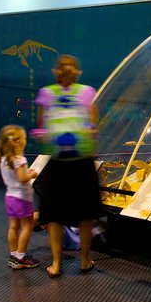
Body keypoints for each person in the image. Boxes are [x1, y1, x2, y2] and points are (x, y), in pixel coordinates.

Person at [33, 54, 103, 277]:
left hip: (69, 163)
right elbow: (94, 125)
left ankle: (60, 263)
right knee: (74, 214)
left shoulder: (50, 93)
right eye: (65, 67)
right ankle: (82, 260)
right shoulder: (85, 92)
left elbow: (41, 126)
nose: (67, 71)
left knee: (60, 214)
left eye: (70, 67)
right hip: (74, 163)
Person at [0, 124, 41, 269]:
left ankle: (13, 255)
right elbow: (23, 178)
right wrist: (32, 174)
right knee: (27, 227)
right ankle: (21, 257)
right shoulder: (19, 159)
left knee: (13, 226)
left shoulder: (3, 159)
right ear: (18, 141)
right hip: (22, 198)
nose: (25, 141)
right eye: (24, 138)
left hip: (10, 197)